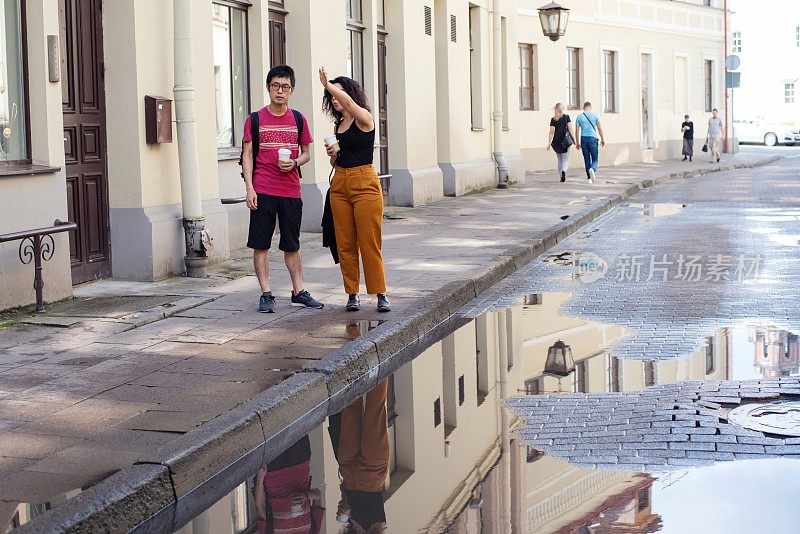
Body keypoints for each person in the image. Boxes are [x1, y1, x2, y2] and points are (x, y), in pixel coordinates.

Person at [244, 65, 324, 313]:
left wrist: (295, 162)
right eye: (275, 86)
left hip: (290, 190)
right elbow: (247, 155)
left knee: (292, 244)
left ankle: (298, 291)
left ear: (292, 90)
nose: (280, 91)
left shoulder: (299, 119)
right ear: (268, 88)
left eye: (285, 86)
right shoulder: (255, 119)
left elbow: (307, 153)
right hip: (263, 189)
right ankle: (266, 293)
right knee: (261, 244)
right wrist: (250, 188)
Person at [319, 67, 390, 313]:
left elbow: (349, 104)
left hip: (365, 184)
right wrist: (333, 155)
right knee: (345, 243)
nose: (334, 99)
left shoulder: (364, 117)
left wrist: (328, 85)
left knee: (369, 241)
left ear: (349, 94)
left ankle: (380, 293)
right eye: (331, 97)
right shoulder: (339, 125)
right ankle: (352, 294)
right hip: (340, 183)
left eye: (338, 94)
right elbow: (339, 161)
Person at [327, 380, 390, 534]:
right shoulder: (374, 528)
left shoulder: (351, 526)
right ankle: (380, 362)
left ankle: (350, 370)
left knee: (350, 409)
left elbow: (346, 496)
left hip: (348, 471)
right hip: (372, 473)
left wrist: (345, 505)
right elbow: (378, 529)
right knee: (375, 409)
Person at [253, 435, 325, 534]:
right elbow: (317, 495)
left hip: (274, 471)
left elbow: (260, 505)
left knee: (270, 429)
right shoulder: (313, 532)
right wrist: (305, 496)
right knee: (296, 423)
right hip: (301, 463)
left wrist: (260, 477)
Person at [574, 102, 606, 184]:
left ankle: (589, 178)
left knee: (586, 159)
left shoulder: (579, 117)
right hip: (593, 139)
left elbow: (577, 131)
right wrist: (602, 139)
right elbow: (599, 129)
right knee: (595, 158)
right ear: (590, 107)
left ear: (583, 107)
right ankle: (593, 168)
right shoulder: (595, 115)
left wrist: (577, 142)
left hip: (583, 139)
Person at [547, 103, 577, 182]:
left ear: (555, 109)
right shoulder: (566, 117)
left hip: (556, 142)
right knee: (565, 160)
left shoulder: (553, 119)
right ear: (562, 109)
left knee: (559, 160)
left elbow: (551, 132)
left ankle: (561, 176)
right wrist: (574, 140)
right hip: (565, 142)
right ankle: (564, 171)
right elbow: (570, 129)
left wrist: (549, 143)